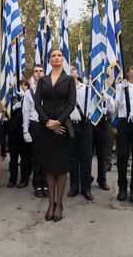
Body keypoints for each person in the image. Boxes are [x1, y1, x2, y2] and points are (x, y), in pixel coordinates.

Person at [35, 49, 76, 222]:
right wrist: (47, 122)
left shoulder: (68, 80)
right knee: (49, 167)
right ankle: (50, 203)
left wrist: (58, 122)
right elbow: (37, 103)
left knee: (61, 167)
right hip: (46, 128)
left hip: (61, 128)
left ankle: (59, 204)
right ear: (49, 60)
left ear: (63, 59)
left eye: (59, 55)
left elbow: (71, 104)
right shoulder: (42, 80)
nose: (56, 57)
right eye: (53, 55)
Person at [67, 66, 93, 200]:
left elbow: (97, 103)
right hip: (71, 125)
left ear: (77, 72)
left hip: (85, 125)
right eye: (69, 69)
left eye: (73, 68)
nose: (71, 70)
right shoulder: (65, 89)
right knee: (72, 158)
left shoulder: (87, 88)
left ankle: (86, 188)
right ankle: (74, 186)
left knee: (85, 158)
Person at [22, 64, 47, 197]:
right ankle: (37, 184)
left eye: (41, 71)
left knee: (47, 157)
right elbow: (26, 112)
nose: (38, 73)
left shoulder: (50, 89)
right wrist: (25, 130)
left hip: (48, 126)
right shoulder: (28, 93)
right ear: (33, 75)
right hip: (35, 125)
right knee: (37, 157)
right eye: (36, 71)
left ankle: (47, 183)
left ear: (45, 73)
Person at [115, 63, 133, 202]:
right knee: (122, 157)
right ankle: (122, 188)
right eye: (132, 68)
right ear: (128, 72)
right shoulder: (121, 86)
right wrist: (122, 92)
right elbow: (116, 106)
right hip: (123, 123)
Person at [7, 79, 30, 188]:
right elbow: (7, 112)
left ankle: (24, 179)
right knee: (13, 156)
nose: (23, 87)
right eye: (21, 85)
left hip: (24, 129)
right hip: (13, 130)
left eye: (25, 85)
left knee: (25, 156)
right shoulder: (12, 97)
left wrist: (25, 99)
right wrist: (13, 107)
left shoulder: (30, 97)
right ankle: (12, 178)